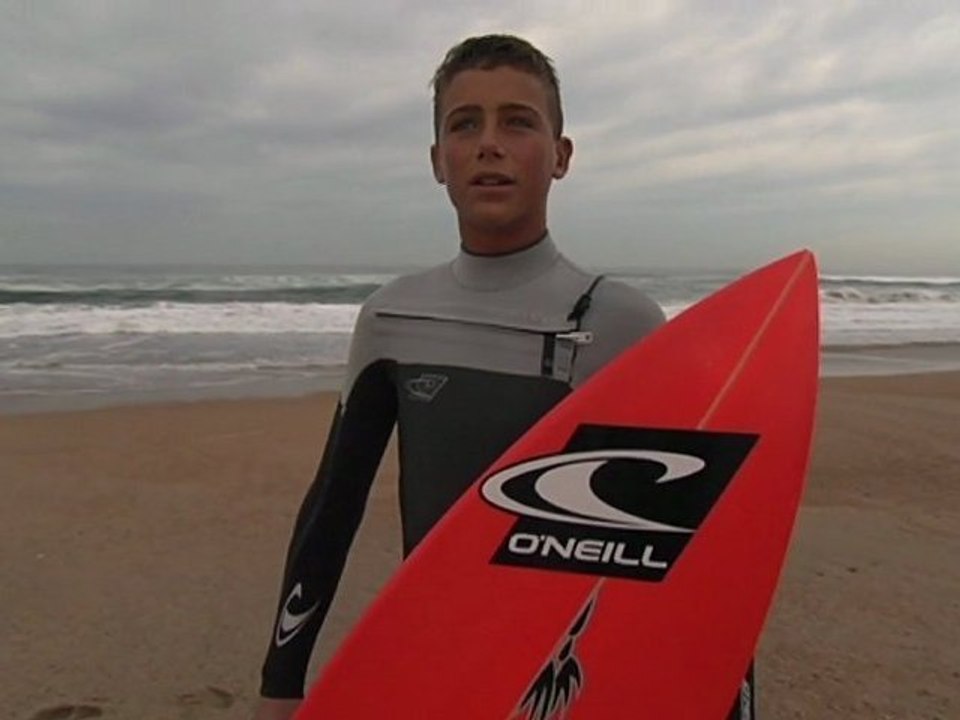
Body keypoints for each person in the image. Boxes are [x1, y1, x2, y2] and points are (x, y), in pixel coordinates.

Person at [253, 34, 753, 719]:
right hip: (438, 673)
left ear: (561, 155)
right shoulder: (391, 318)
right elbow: (330, 511)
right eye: (465, 124)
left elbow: (691, 551)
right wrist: (281, 688)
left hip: (567, 684)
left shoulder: (624, 324)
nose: (490, 143)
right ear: (438, 161)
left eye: (518, 121)